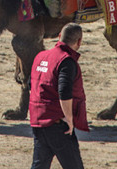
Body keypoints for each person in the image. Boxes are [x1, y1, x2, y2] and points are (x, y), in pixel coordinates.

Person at [28, 22, 88, 169]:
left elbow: (31, 84)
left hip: (38, 121)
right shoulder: (66, 61)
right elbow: (64, 91)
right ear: (79, 42)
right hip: (57, 124)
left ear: (59, 36)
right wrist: (69, 120)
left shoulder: (41, 56)